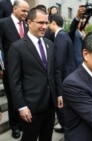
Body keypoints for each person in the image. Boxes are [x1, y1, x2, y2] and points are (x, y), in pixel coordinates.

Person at [7, 7, 62, 141]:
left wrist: (59, 93)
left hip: (50, 103)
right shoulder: (17, 47)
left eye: (46, 23)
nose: (44, 26)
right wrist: (21, 106)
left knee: (47, 137)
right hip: (31, 107)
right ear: (29, 22)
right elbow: (14, 81)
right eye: (40, 23)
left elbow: (55, 71)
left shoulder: (50, 44)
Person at [0, 0, 29, 138]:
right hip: (9, 69)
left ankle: (22, 122)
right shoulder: (3, 23)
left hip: (26, 69)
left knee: (22, 95)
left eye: (28, 11)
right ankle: (15, 126)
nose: (26, 14)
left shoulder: (27, 25)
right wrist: (1, 66)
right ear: (14, 8)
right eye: (23, 10)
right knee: (12, 98)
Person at [48, 14, 76, 133]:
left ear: (53, 23)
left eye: (48, 23)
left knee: (62, 109)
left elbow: (58, 64)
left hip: (64, 79)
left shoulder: (60, 37)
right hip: (68, 76)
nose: (47, 26)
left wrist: (59, 91)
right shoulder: (63, 36)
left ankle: (67, 131)